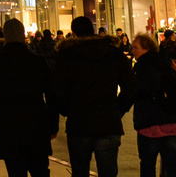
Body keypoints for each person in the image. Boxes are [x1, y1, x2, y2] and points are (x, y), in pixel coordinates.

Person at [54, 15, 135, 177]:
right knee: (108, 170)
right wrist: (118, 110)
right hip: (108, 121)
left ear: (74, 33)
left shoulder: (67, 55)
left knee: (79, 170)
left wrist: (67, 109)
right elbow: (131, 86)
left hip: (79, 121)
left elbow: (58, 88)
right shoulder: (113, 52)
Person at [0, 18, 56, 177]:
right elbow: (52, 95)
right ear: (23, 35)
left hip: (8, 124)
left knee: (15, 171)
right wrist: (53, 125)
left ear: (5, 36)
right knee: (40, 170)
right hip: (37, 123)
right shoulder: (38, 62)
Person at [131, 32, 176, 177]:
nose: (133, 51)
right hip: (173, 122)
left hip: (150, 123)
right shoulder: (167, 64)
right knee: (172, 164)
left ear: (146, 48)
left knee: (148, 165)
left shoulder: (142, 67)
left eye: (136, 47)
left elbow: (139, 91)